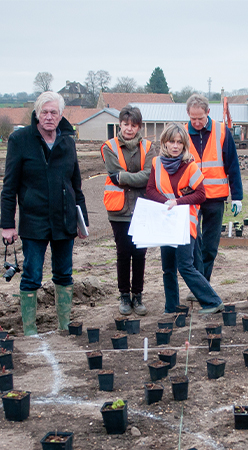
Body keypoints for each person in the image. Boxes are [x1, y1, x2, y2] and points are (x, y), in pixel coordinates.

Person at [0, 91, 89, 335]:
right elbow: (9, 186)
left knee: (64, 273)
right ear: (37, 114)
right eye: (44, 112)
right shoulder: (20, 140)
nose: (49, 117)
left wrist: (83, 223)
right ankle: (30, 329)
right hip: (34, 221)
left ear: (61, 115)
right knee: (32, 274)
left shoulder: (67, 141)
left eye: (54, 112)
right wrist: (7, 223)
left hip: (64, 220)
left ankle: (64, 325)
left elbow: (76, 185)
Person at [144, 123, 223, 315]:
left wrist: (177, 202)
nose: (175, 146)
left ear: (184, 145)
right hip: (167, 223)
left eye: (179, 142)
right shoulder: (157, 163)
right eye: (172, 141)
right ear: (164, 143)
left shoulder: (190, 165)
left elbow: (201, 194)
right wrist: (166, 202)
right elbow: (150, 190)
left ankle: (212, 301)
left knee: (185, 265)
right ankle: (171, 307)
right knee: (168, 268)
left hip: (186, 223)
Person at [184, 94, 243, 287]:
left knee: (210, 247)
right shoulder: (182, 135)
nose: (197, 122)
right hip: (191, 199)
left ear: (208, 112)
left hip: (215, 199)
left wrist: (237, 197)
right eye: (193, 118)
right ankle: (200, 286)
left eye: (200, 118)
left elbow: (232, 165)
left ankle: (204, 285)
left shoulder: (222, 131)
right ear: (188, 115)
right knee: (194, 246)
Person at [101, 106, 153, 316]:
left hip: (142, 208)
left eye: (133, 125)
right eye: (125, 124)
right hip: (119, 209)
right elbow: (115, 176)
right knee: (123, 253)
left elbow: (150, 175)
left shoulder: (148, 146)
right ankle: (124, 296)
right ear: (120, 125)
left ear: (138, 126)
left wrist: (126, 178)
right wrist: (136, 178)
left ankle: (137, 296)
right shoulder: (109, 147)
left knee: (139, 254)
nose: (129, 129)